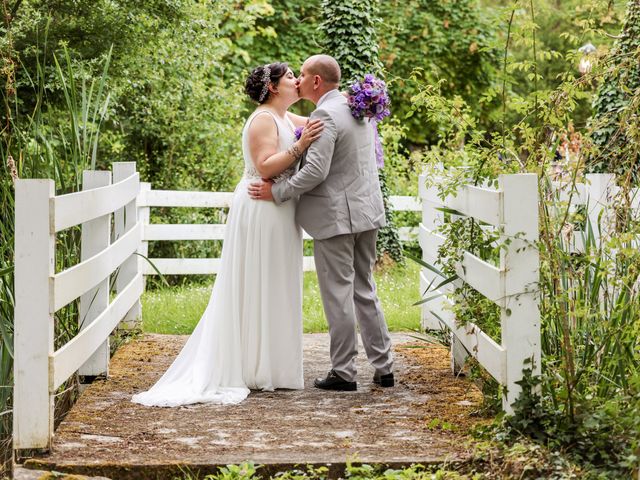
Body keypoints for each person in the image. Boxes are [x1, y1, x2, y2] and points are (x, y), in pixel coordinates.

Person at [132, 62, 323, 406]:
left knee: (277, 281)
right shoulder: (263, 119)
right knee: (259, 280)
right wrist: (300, 147)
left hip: (280, 208)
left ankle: (272, 365)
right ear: (275, 87)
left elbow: (318, 125)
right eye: (292, 76)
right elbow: (265, 165)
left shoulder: (283, 117)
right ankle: (253, 366)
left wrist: (354, 107)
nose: (298, 80)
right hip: (261, 207)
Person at [248, 55, 394, 391]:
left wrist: (278, 192)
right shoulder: (355, 107)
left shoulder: (326, 113)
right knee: (364, 290)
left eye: (302, 74)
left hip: (336, 218)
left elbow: (316, 172)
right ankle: (384, 367)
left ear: (316, 82)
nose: (297, 79)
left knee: (338, 295)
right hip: (367, 212)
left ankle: (343, 373)